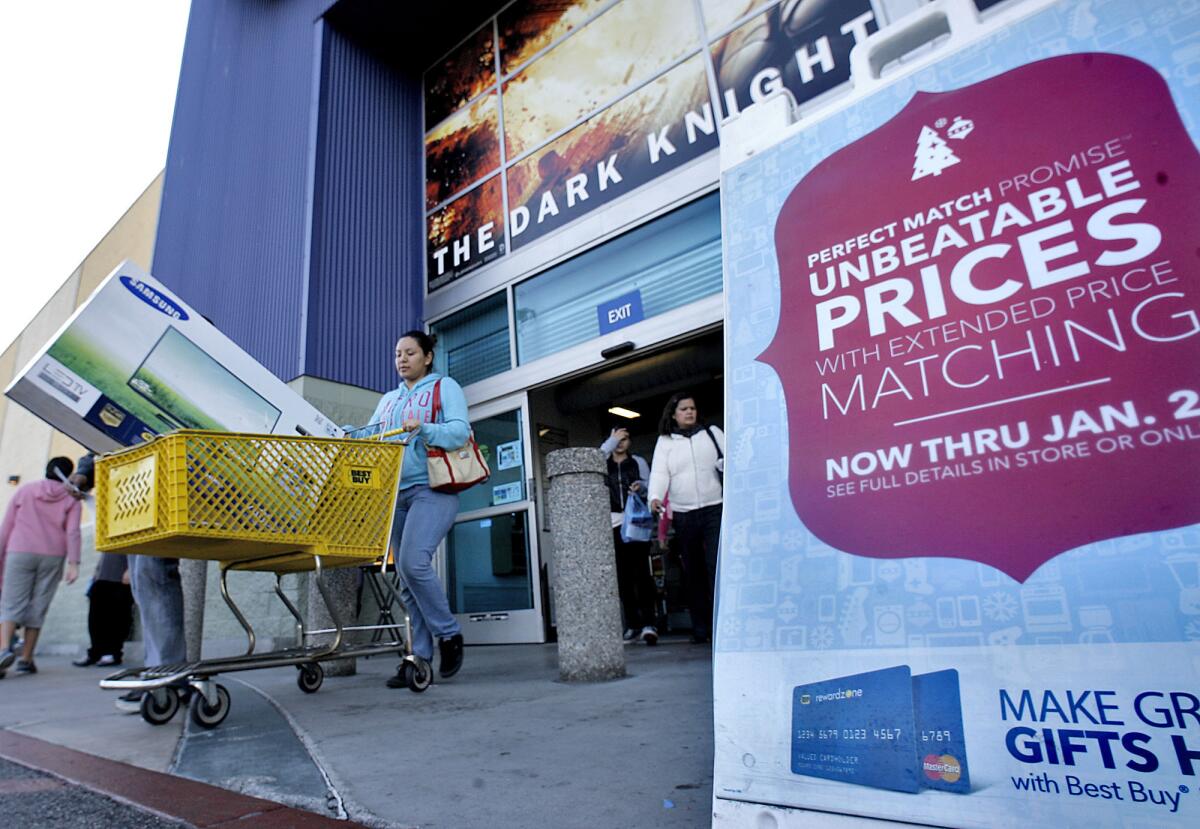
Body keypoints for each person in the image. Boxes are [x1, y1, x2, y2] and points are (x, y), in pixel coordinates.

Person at [368, 330, 469, 687]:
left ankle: (449, 634)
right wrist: (352, 433)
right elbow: (373, 435)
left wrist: (424, 428)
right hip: (397, 493)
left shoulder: (445, 387)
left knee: (413, 562)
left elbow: (459, 432)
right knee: (407, 578)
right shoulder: (389, 399)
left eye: (410, 352)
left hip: (433, 487)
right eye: (397, 354)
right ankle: (419, 657)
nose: (402, 359)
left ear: (427, 356)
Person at [648, 393, 724, 645]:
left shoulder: (712, 433)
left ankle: (721, 626)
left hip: (715, 508)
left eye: (692, 408)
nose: (690, 412)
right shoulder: (666, 441)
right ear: (674, 414)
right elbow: (659, 472)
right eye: (684, 409)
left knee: (716, 567)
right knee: (693, 572)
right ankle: (700, 628)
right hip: (683, 513)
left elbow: (733, 459)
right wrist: (655, 497)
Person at [0, 457, 82, 676]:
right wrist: (74, 563)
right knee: (39, 604)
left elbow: (6, 525)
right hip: (52, 555)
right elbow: (73, 531)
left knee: (10, 603)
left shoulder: (25, 491)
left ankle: (3, 650)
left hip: (19, 550)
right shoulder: (71, 498)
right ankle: (26, 659)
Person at [69, 455, 134, 668]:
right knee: (97, 598)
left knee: (119, 606)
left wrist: (129, 569)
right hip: (110, 554)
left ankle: (113, 651)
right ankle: (96, 650)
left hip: (128, 553)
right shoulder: (111, 504)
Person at [600, 427, 658, 645]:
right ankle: (632, 624)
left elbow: (651, 485)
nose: (620, 443)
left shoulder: (638, 462)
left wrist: (641, 487)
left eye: (624, 439)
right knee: (622, 576)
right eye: (617, 439)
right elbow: (593, 460)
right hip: (614, 522)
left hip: (636, 522)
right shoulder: (604, 463)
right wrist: (610, 442)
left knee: (642, 573)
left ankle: (648, 623)